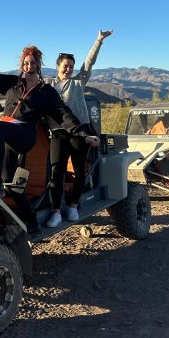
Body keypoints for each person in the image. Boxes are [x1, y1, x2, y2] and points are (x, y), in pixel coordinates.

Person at [0, 46, 99, 232]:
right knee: (12, 184)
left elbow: (64, 114)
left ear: (38, 65)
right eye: (26, 63)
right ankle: (32, 222)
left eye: (33, 63)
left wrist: (83, 134)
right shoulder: (13, 84)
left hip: (25, 134)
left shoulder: (46, 91)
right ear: (22, 65)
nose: (29, 66)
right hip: (7, 138)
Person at [46, 29, 113, 227]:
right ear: (58, 66)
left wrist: (99, 40)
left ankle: (74, 206)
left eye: (71, 67)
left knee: (78, 169)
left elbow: (89, 63)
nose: (69, 69)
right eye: (66, 66)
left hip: (80, 132)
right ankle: (56, 211)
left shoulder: (77, 82)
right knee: (56, 172)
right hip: (58, 133)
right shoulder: (48, 85)